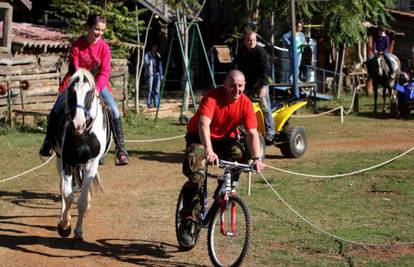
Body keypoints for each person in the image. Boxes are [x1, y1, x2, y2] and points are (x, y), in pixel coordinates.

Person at [178, 70, 265, 246]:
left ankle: (226, 188)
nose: (236, 90)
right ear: (224, 84)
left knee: (239, 154)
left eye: (240, 86)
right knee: (196, 175)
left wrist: (257, 158)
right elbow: (203, 124)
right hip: (199, 136)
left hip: (224, 138)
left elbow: (252, 133)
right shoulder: (212, 98)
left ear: (244, 85)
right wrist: (209, 151)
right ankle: (188, 221)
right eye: (232, 85)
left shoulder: (246, 104)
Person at [39, 14, 129, 165]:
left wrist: (96, 90)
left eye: (102, 31)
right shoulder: (76, 45)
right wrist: (74, 87)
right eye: (96, 29)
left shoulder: (104, 48)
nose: (99, 33)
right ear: (87, 27)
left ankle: (121, 148)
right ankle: (48, 142)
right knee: (56, 108)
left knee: (114, 110)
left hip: (98, 85)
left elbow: (105, 72)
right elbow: (74, 69)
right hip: (76, 84)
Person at [234, 30, 275, 145]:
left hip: (260, 84)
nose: (252, 42)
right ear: (245, 41)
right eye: (249, 40)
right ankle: (241, 130)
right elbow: (236, 66)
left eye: (254, 40)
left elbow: (266, 70)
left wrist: (263, 86)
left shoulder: (261, 52)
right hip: (246, 85)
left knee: (265, 107)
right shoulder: (241, 52)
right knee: (241, 107)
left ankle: (271, 132)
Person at [144, 43, 163, 109]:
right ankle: (149, 103)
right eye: (154, 46)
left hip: (157, 74)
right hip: (150, 74)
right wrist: (150, 58)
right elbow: (146, 63)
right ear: (151, 47)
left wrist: (161, 74)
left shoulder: (158, 54)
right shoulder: (147, 55)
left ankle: (156, 103)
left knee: (157, 89)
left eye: (156, 46)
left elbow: (160, 65)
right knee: (150, 90)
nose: (155, 47)